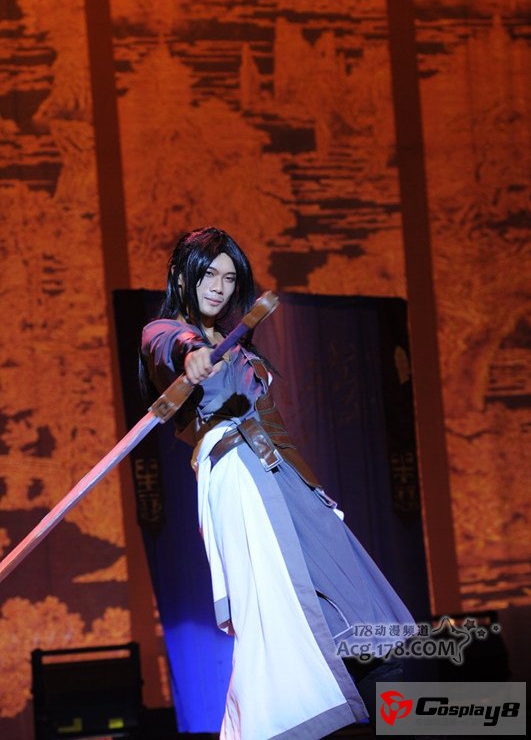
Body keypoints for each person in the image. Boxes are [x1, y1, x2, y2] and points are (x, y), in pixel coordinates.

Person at [140, 227, 416, 739]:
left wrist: (314, 493)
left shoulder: (236, 344)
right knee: (293, 621)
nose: (219, 287)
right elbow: (171, 346)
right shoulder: (164, 332)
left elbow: (270, 422)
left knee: (361, 618)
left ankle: (444, 718)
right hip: (243, 482)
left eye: (229, 278)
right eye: (208, 274)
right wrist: (191, 353)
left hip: (286, 479)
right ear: (181, 276)